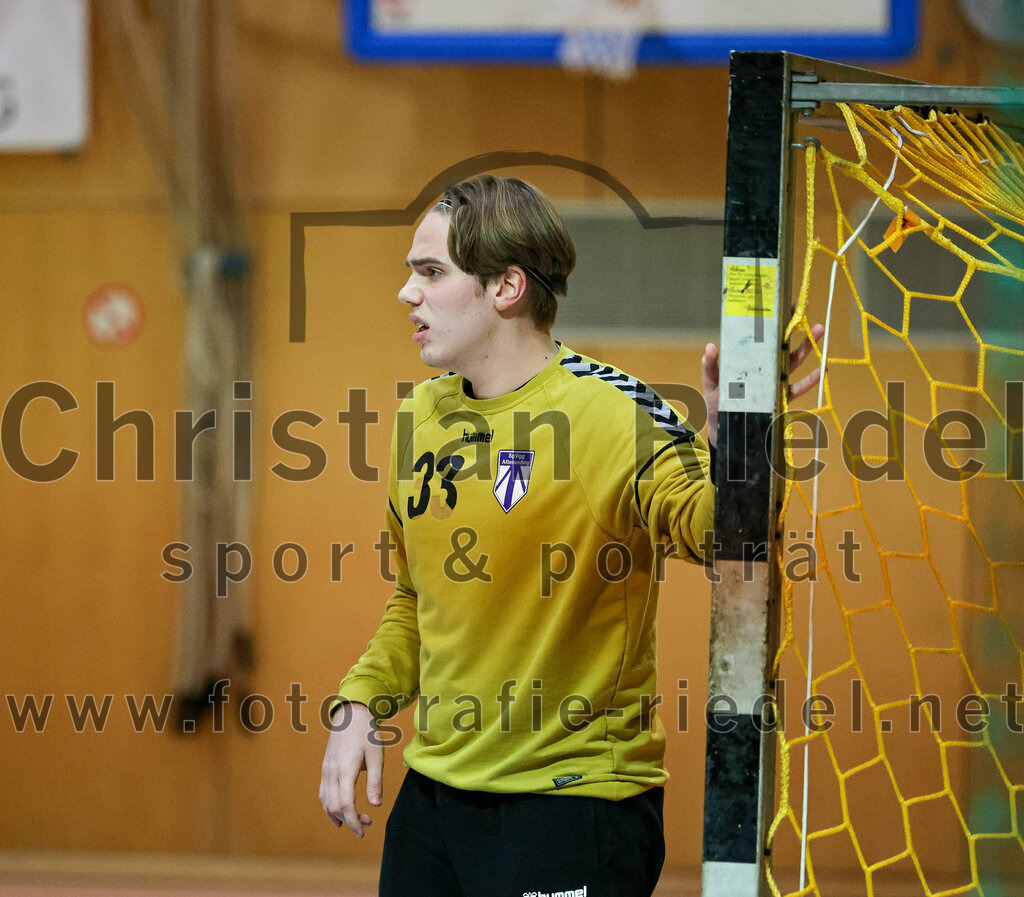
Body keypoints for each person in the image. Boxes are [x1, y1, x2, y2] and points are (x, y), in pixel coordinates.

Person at [319, 174, 822, 897]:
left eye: (430, 272)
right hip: (434, 801)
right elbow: (416, 600)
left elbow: (722, 540)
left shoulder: (613, 414)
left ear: (507, 288)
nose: (407, 292)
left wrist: (741, 440)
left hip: (572, 804)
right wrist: (361, 702)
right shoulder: (419, 417)